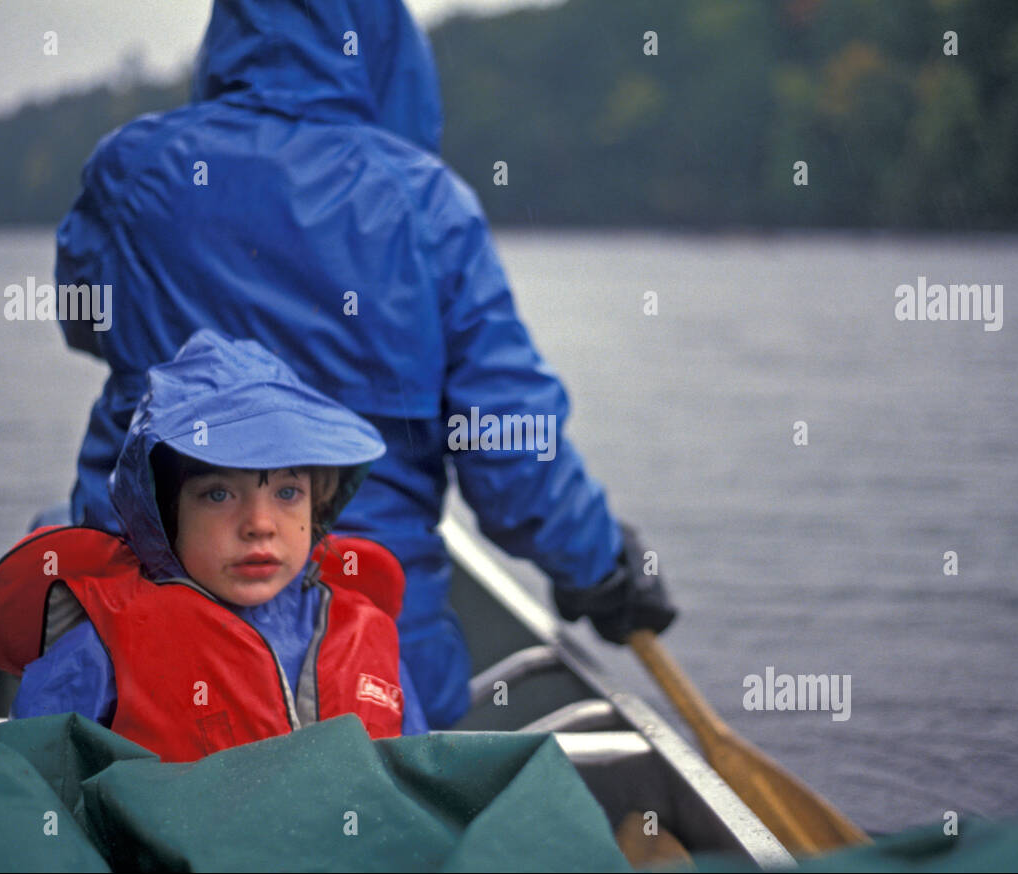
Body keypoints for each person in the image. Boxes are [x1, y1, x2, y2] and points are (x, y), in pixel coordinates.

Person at [54, 0, 676, 729]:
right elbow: (508, 444)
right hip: (362, 648)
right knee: (407, 664)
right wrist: (600, 566)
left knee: (66, 554)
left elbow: (87, 324)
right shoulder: (429, 205)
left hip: (140, 634)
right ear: (385, 47)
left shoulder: (131, 172)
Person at [0, 330, 428, 762]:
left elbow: (415, 784)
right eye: (219, 494)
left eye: (288, 493)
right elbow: (39, 795)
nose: (260, 525)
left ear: (318, 505)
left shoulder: (367, 632)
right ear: (163, 512)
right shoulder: (101, 646)